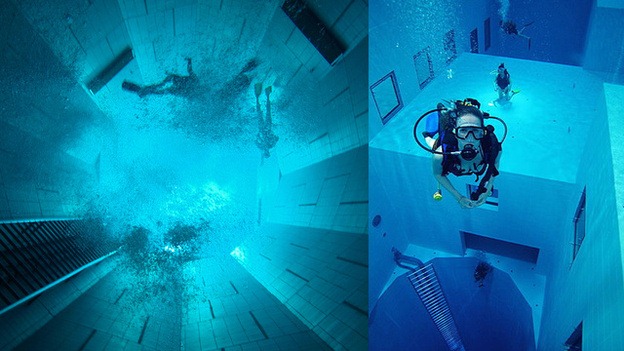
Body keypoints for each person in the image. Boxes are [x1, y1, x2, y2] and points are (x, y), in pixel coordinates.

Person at [421, 99, 503, 209]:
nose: (469, 138)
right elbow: (438, 174)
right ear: (455, 132)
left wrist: (488, 188)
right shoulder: (441, 153)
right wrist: (459, 197)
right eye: (463, 131)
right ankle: (428, 133)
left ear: (482, 132)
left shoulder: (492, 148)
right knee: (431, 142)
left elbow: (495, 164)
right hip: (446, 144)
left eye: (475, 131)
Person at [122, 57, 199, 98]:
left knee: (162, 88)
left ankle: (144, 91)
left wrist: (189, 61)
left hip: (179, 86)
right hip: (179, 86)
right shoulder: (195, 82)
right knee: (163, 89)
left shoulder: (195, 81)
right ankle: (144, 91)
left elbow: (190, 70)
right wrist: (189, 61)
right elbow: (190, 70)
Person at [254, 83, 279, 158]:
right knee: (268, 111)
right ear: (268, 152)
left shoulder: (261, 146)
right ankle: (267, 95)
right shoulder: (271, 145)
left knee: (259, 112)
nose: (266, 151)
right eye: (267, 152)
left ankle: (258, 96)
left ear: (263, 152)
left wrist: (258, 136)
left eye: (265, 152)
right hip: (267, 127)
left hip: (262, 128)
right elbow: (277, 138)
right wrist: (272, 136)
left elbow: (255, 141)